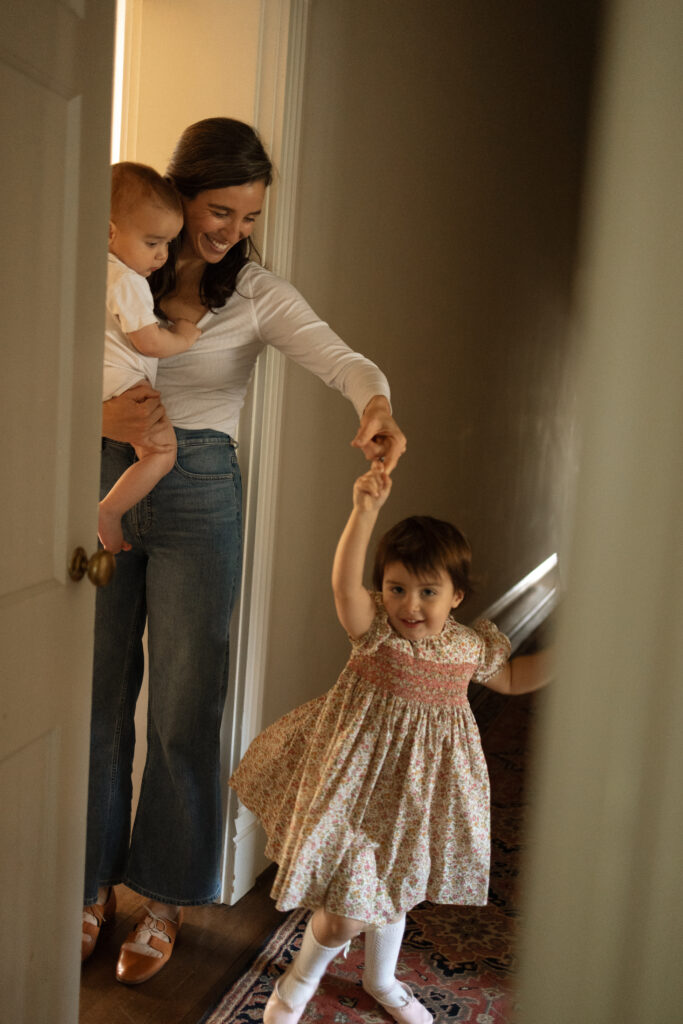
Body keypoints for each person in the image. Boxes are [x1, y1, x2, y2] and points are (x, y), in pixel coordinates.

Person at [82, 117, 407, 984]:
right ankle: (82, 889)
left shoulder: (256, 294)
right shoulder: (109, 268)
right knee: (93, 696)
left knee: (187, 704)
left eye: (249, 216)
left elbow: (346, 362)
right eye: (219, 209)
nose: (230, 229)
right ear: (181, 194)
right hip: (99, 480)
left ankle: (162, 901)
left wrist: (373, 408)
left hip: (198, 496)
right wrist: (95, 413)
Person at [229, 464, 552, 1024]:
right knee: (344, 913)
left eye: (429, 592)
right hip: (355, 785)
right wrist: (364, 511)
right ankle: (297, 982)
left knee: (395, 891)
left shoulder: (469, 648)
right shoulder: (375, 630)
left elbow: (518, 679)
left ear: (457, 597)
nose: (410, 605)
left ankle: (381, 978)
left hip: (419, 793)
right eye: (397, 588)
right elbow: (343, 586)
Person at [98, 162, 201, 554]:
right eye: (153, 243)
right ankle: (109, 510)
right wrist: (183, 337)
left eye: (168, 244)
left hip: (98, 385)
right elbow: (149, 343)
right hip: (126, 384)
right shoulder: (127, 279)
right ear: (110, 232)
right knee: (162, 452)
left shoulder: (86, 271)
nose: (161, 256)